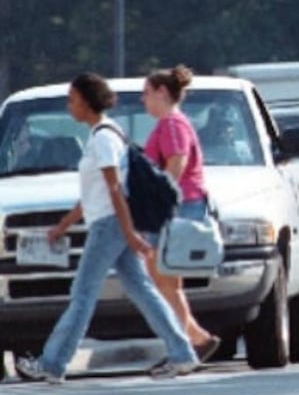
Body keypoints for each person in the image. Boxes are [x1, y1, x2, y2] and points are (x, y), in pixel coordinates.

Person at [16, 73, 198, 384]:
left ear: (87, 102)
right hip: (111, 223)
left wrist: (128, 234)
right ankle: (182, 353)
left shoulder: (103, 139)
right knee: (141, 289)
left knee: (82, 294)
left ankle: (52, 363)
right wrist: (63, 226)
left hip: (109, 225)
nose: (69, 106)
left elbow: (116, 190)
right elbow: (93, 194)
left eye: (72, 100)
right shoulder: (104, 135)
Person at [141, 65, 221, 362]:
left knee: (162, 279)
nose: (143, 100)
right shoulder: (173, 123)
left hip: (178, 207)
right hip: (183, 205)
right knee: (166, 281)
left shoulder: (172, 124)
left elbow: (177, 162)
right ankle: (192, 339)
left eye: (147, 93)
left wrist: (159, 200)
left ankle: (188, 342)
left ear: (162, 92)